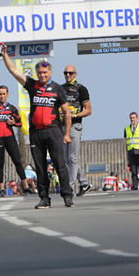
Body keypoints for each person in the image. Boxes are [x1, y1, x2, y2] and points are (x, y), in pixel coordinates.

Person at [0, 43, 74, 208]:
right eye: (39, 73)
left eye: (45, 73)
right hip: (36, 133)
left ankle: (67, 196)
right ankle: (44, 199)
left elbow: (67, 113)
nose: (42, 75)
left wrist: (67, 134)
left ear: (50, 73)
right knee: (40, 167)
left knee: (60, 164)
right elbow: (14, 71)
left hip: (54, 131)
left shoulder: (58, 89)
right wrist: (4, 54)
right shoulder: (32, 85)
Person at [60, 64, 93, 195]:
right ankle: (84, 183)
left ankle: (70, 187)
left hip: (75, 126)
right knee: (64, 159)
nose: (68, 75)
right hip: (62, 126)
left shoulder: (81, 89)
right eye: (66, 73)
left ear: (75, 74)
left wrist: (74, 115)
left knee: (72, 158)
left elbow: (88, 110)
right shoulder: (60, 88)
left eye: (70, 73)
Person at [124, 112, 139, 190]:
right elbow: (126, 142)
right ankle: (135, 186)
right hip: (131, 152)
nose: (132, 119)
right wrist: (127, 154)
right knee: (133, 171)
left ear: (137, 118)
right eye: (131, 118)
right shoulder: (127, 129)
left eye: (134, 117)